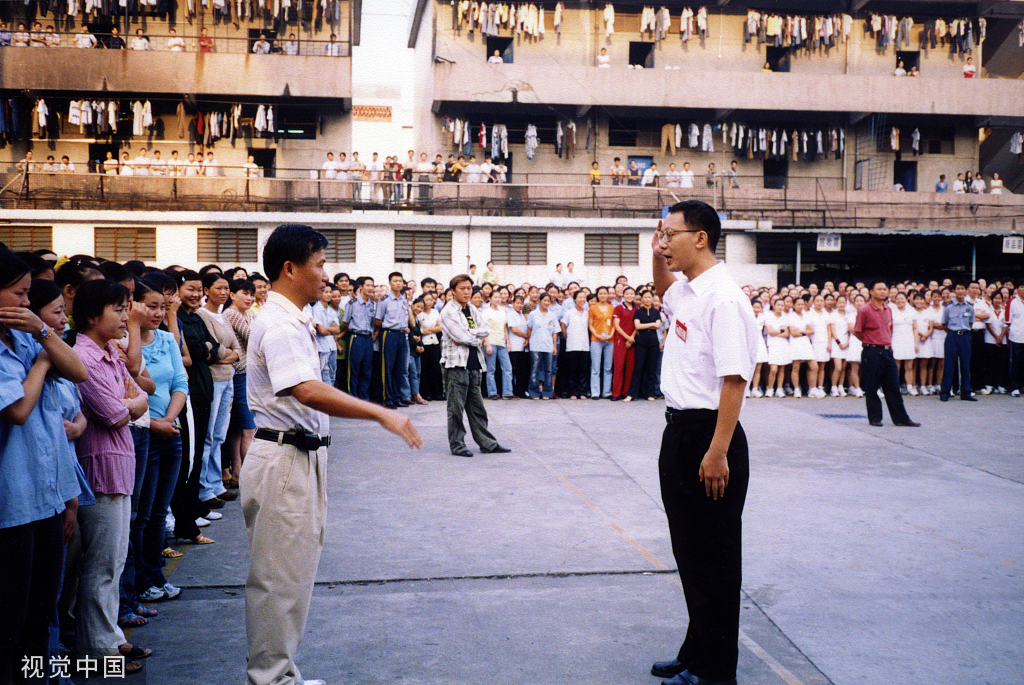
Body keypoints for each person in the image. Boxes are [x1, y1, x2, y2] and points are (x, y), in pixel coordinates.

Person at [241, 224, 421, 685]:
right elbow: (306, 390)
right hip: (285, 460)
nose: (326, 275)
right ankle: (271, 678)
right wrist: (381, 414)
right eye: (319, 265)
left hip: (299, 457)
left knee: (292, 576)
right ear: (290, 268)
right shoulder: (280, 324)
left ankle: (280, 674)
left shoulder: (293, 318)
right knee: (279, 581)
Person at [647, 200, 758, 685]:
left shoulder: (724, 299)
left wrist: (717, 451)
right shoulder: (689, 291)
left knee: (715, 559)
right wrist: (656, 253)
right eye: (661, 234)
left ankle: (716, 672)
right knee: (689, 553)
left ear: (700, 238)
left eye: (671, 235)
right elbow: (661, 289)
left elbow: (734, 380)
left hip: (711, 436)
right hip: (679, 431)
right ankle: (696, 652)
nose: (664, 242)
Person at [0, 250, 89, 684]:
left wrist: (44, 337)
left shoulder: (23, 335)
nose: (24, 300)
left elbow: (78, 371)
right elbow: (17, 409)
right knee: (9, 623)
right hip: (11, 504)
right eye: (18, 293)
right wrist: (41, 359)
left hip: (47, 497)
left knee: (39, 615)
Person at [439, 275, 510, 457]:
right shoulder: (448, 312)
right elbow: (461, 337)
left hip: (474, 363)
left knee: (478, 408)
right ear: (453, 291)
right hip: (456, 365)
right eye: (462, 288)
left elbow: (485, 330)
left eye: (469, 288)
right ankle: (458, 445)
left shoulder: (472, 308)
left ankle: (488, 443)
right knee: (456, 409)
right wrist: (472, 337)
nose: (466, 292)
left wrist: (470, 335)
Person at [852, 280, 920, 426]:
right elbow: (857, 331)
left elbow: (889, 329)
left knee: (893, 386)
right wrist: (870, 341)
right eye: (879, 289)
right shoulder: (865, 310)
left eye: (885, 289)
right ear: (871, 291)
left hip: (888, 351)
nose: (883, 291)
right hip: (872, 351)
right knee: (872, 385)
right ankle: (875, 418)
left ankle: (901, 418)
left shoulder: (889, 309)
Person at [937, 281, 976, 402]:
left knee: (965, 364)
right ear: (954, 291)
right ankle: (945, 392)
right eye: (958, 288)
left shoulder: (969, 307)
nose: (960, 291)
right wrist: (953, 333)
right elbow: (944, 324)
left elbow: (970, 323)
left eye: (962, 288)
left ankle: (966, 392)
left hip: (965, 337)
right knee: (949, 364)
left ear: (966, 291)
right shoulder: (948, 307)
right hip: (952, 336)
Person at [341, 276, 376, 400]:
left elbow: (373, 323)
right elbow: (346, 322)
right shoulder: (352, 303)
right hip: (356, 338)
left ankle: (363, 398)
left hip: (368, 339)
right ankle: (353, 398)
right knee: (354, 369)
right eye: (368, 285)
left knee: (366, 370)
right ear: (360, 287)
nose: (370, 288)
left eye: (372, 285)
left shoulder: (372, 304)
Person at [312, 282, 341, 384]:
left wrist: (327, 328)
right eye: (325, 292)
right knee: (324, 375)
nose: (329, 294)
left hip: (332, 346)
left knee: (333, 373)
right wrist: (330, 329)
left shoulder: (331, 311)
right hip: (322, 347)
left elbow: (337, 329)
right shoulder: (316, 309)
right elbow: (321, 331)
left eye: (330, 292)